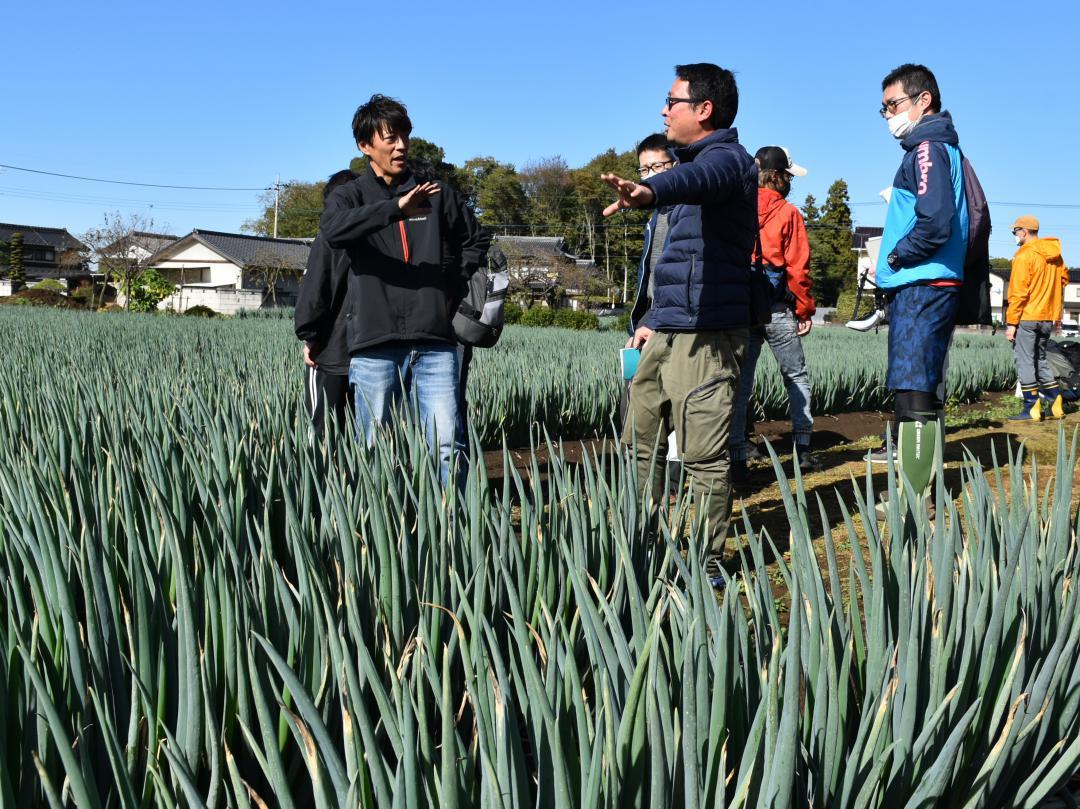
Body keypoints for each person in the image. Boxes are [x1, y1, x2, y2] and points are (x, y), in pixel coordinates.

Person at [602, 63, 756, 585]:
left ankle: (707, 557)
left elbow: (701, 178)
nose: (664, 110)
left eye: (673, 101)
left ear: (703, 109)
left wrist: (653, 189)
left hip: (707, 334)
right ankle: (638, 542)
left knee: (702, 454)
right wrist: (649, 320)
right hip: (666, 329)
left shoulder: (729, 162)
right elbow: (671, 265)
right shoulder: (688, 169)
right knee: (638, 441)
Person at [316, 94, 490, 484]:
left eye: (405, 136)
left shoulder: (437, 194)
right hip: (374, 343)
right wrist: (394, 209)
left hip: (435, 342)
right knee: (374, 447)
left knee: (446, 444)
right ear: (365, 146)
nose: (401, 146)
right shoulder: (351, 196)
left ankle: (451, 530)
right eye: (390, 138)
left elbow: (477, 240)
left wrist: (449, 282)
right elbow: (332, 230)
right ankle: (382, 535)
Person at [876, 64, 968, 504]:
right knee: (922, 386)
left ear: (923, 100)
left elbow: (934, 223)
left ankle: (914, 499)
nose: (888, 114)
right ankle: (919, 489)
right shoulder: (936, 147)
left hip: (923, 281)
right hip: (930, 281)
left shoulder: (928, 147)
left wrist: (896, 255)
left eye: (893, 104)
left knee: (913, 387)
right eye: (884, 108)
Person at [729, 146, 818, 483]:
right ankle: (803, 448)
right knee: (795, 376)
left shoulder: (738, 208)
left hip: (743, 308)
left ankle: (736, 454)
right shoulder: (789, 213)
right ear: (781, 176)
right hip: (777, 308)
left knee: (741, 383)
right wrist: (805, 308)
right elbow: (799, 268)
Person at [624, 133, 680, 489]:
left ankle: (670, 478)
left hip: (668, 320)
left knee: (670, 405)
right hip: (649, 320)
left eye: (657, 166)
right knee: (640, 404)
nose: (649, 175)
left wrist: (655, 319)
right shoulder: (657, 212)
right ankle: (645, 485)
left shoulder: (683, 209)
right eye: (644, 169)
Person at [294, 169, 359, 437]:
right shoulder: (381, 237)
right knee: (362, 433)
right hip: (372, 353)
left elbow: (314, 294)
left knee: (321, 429)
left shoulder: (329, 239)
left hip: (331, 351)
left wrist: (310, 338)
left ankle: (321, 479)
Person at [1006, 215, 1069, 420]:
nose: (1015, 236)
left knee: (1025, 361)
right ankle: (1055, 402)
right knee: (1040, 359)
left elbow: (1018, 293)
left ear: (1024, 231)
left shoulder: (1024, 256)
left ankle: (1031, 407)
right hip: (1047, 317)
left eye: (1015, 232)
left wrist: (1012, 323)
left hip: (1027, 316)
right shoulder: (1055, 256)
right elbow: (1064, 279)